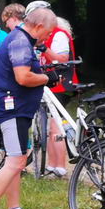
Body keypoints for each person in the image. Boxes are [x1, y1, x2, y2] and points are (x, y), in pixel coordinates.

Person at [0, 6, 59, 209]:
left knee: (17, 159)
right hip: (12, 109)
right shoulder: (21, 41)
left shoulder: (20, 39)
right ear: (39, 26)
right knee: (15, 161)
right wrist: (47, 77)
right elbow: (23, 77)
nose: (48, 37)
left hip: (18, 109)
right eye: (48, 32)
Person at [40, 15, 78, 177]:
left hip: (60, 85)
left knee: (56, 128)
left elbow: (62, 59)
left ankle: (60, 166)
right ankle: (52, 165)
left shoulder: (59, 34)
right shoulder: (51, 34)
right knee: (51, 127)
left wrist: (43, 49)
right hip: (52, 85)